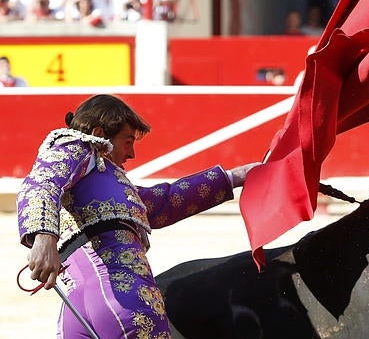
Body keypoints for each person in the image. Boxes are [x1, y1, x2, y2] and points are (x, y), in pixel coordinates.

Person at [17, 94, 261, 338]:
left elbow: (167, 201)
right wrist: (44, 236)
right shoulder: (79, 147)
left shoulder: (111, 187)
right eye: (127, 141)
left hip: (77, 310)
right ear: (99, 133)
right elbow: (41, 183)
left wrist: (236, 176)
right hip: (123, 297)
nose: (132, 153)